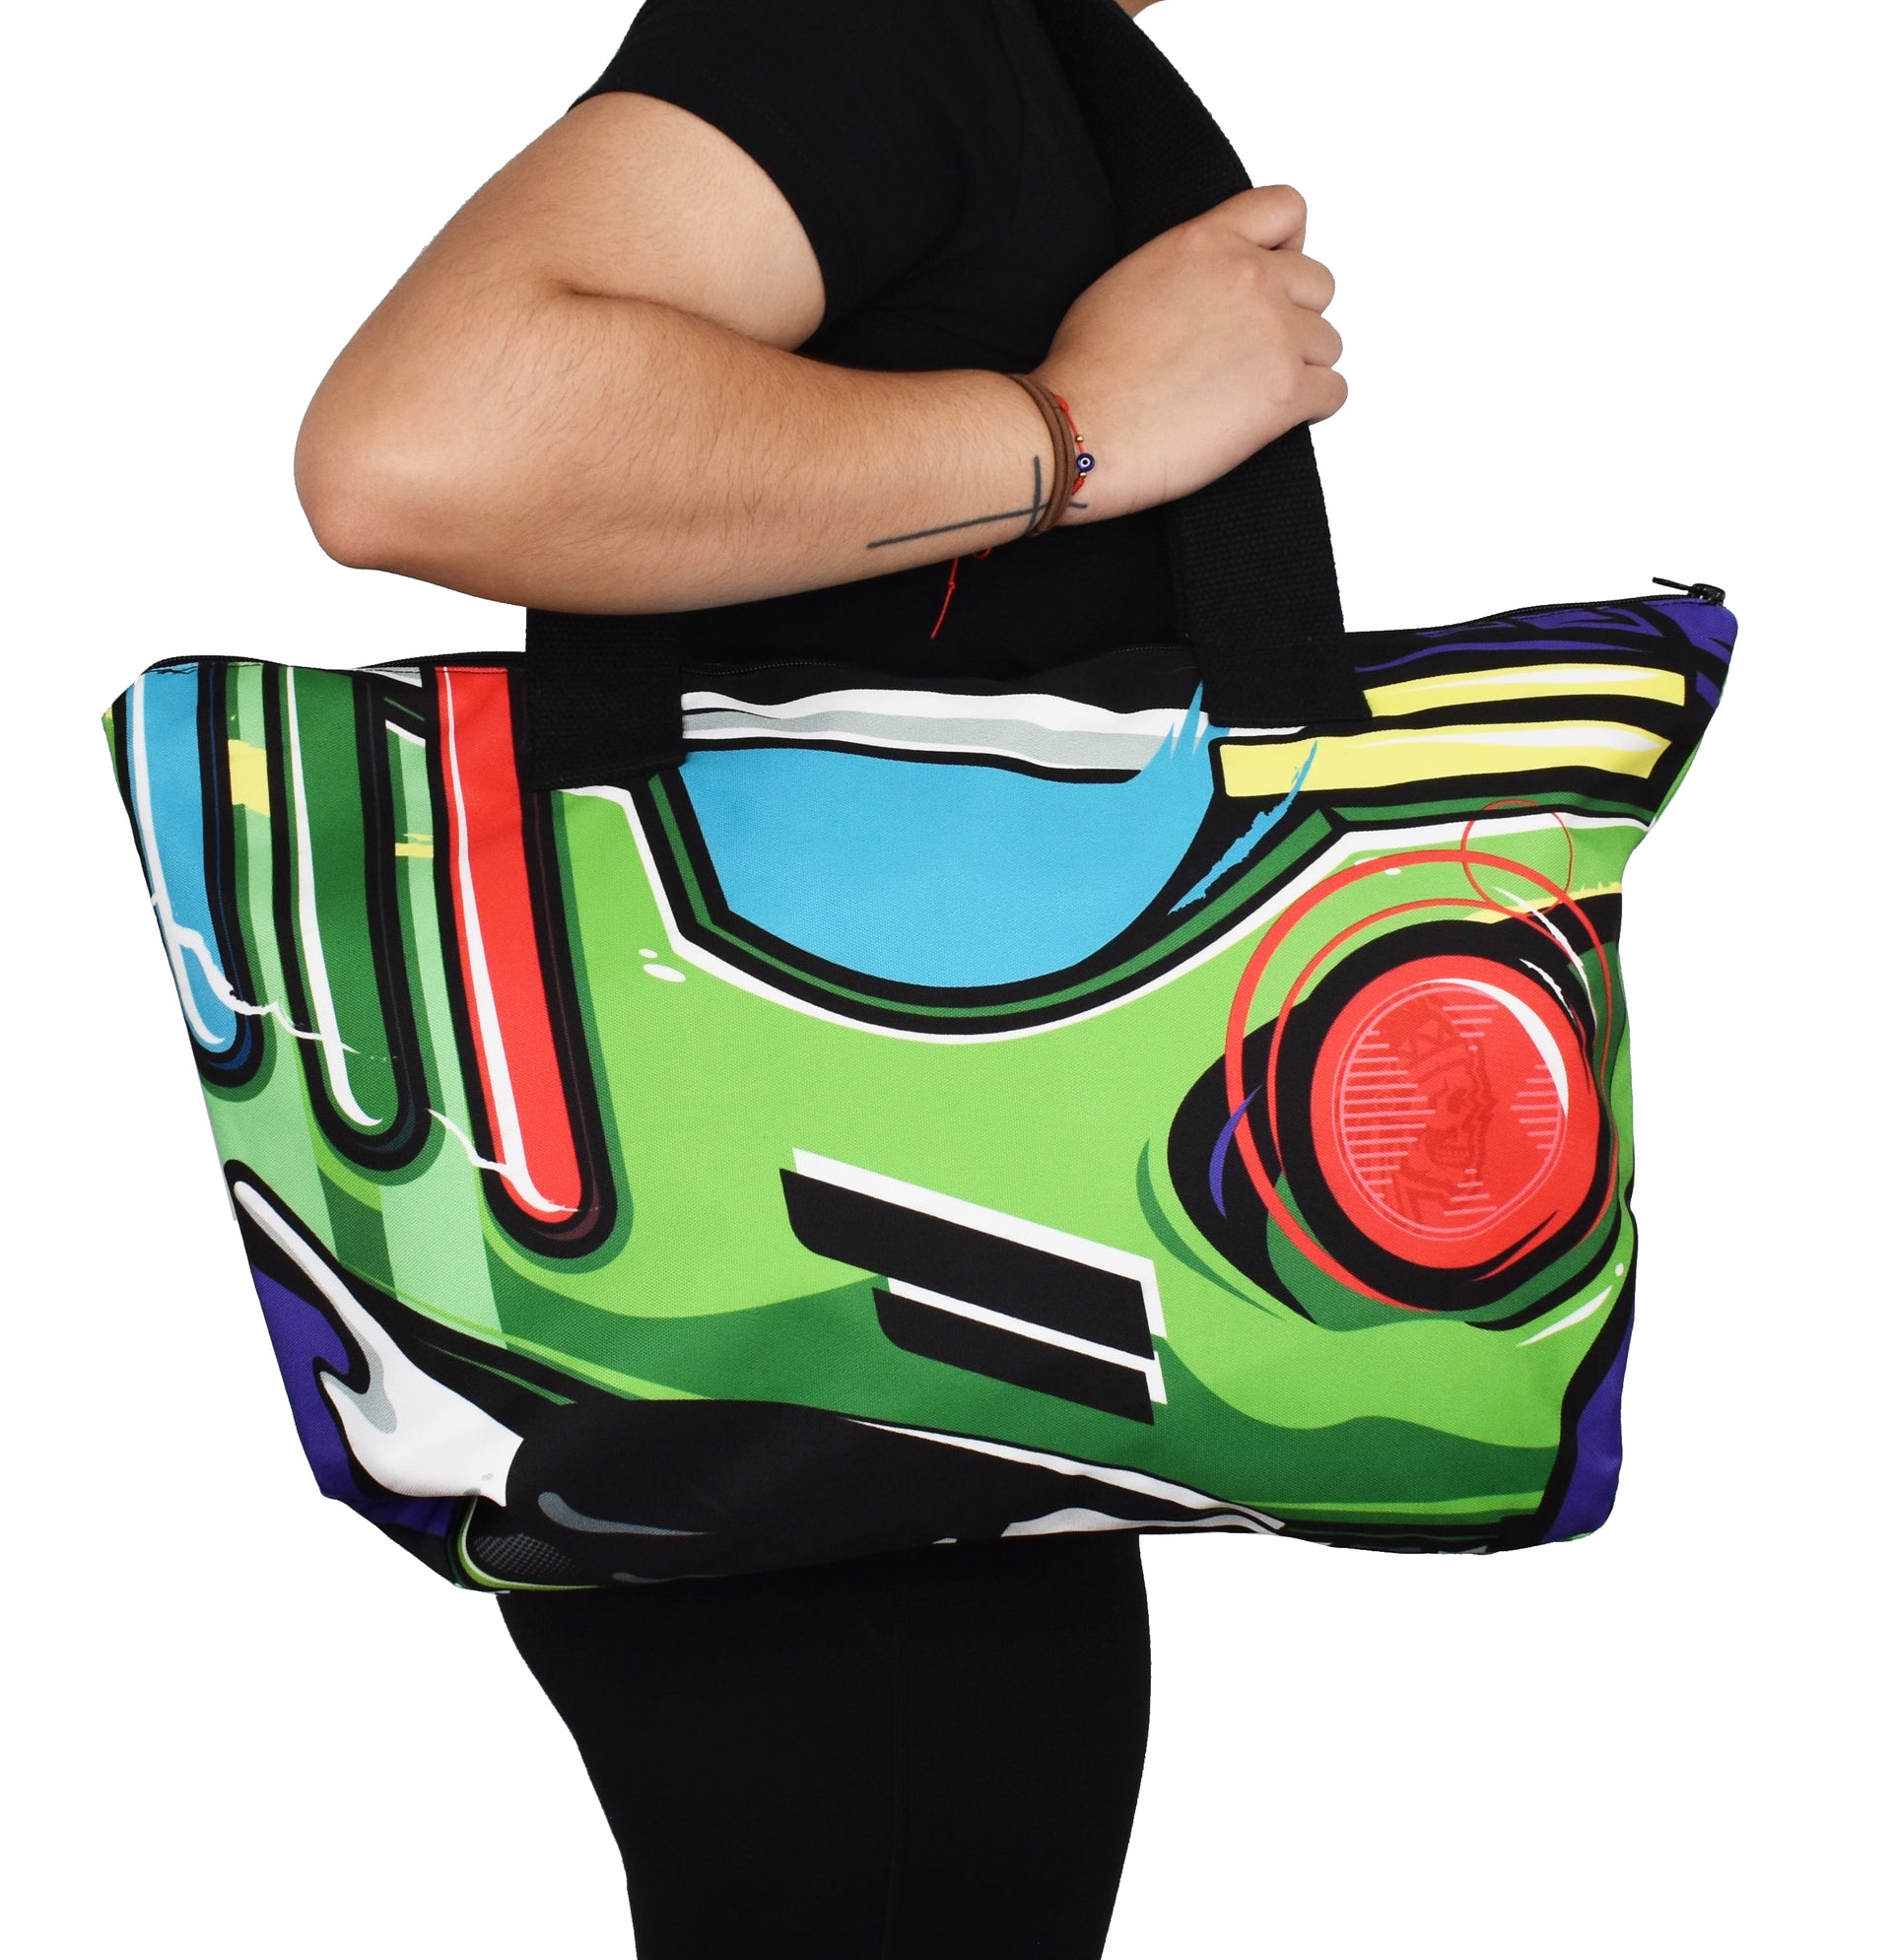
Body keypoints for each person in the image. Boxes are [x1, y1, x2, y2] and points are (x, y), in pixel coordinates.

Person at [295, 1, 1344, 1953]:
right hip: (817, 1394)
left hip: (913, 1361)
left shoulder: (1020, 57)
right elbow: (415, 447)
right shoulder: (890, 20)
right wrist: (1076, 432)